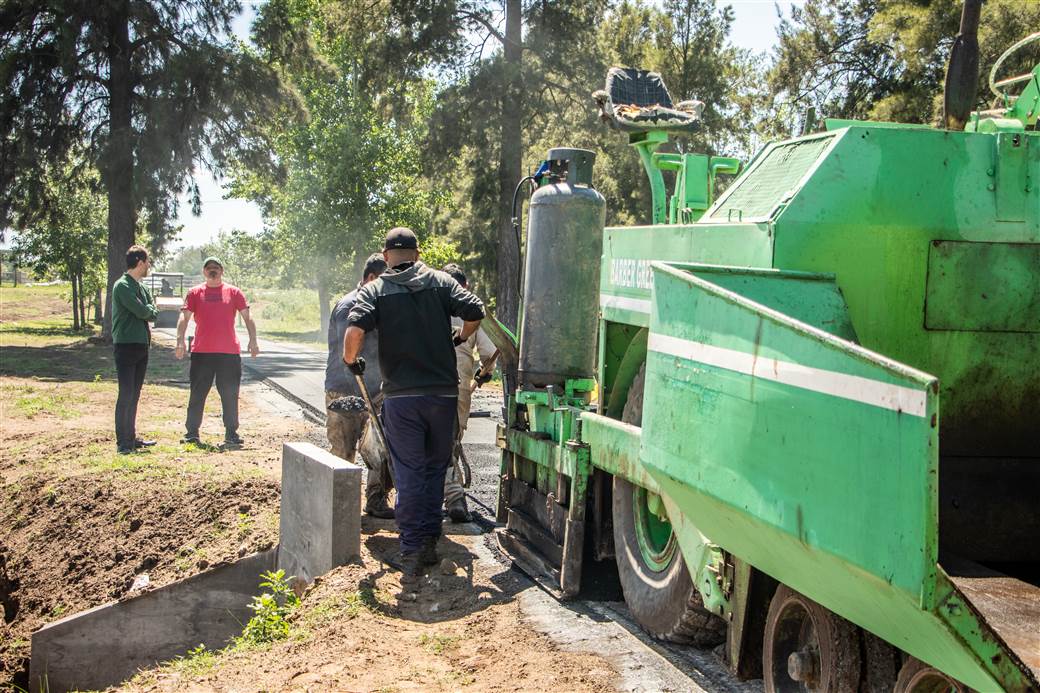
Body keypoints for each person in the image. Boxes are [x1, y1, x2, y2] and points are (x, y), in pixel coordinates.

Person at [343, 227, 485, 577]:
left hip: (403, 398)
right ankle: (430, 542)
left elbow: (354, 330)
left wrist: (352, 361)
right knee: (436, 468)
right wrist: (461, 336)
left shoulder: (377, 289)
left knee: (408, 471)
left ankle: (411, 550)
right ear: (417, 255)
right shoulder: (442, 282)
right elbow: (475, 310)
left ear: (387, 256)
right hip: (443, 395)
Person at [325, 252, 394, 519]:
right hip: (343, 388)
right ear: (371, 278)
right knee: (343, 451)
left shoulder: (380, 304)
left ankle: (376, 500)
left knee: (378, 450)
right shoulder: (349, 306)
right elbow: (349, 348)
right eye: (384, 281)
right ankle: (339, 507)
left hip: (375, 391)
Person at [174, 256, 259, 448]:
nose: (212, 270)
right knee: (197, 393)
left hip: (228, 353)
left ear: (222, 271)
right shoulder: (195, 292)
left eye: (216, 267)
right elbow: (184, 317)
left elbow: (247, 316)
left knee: (230, 394)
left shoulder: (234, 292)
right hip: (202, 353)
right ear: (204, 272)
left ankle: (231, 433)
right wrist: (180, 341)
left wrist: (253, 340)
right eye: (209, 268)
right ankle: (192, 433)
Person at [441, 263, 498, 523]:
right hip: (460, 386)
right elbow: (489, 354)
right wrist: (484, 374)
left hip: (427, 383)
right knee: (450, 443)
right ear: (465, 287)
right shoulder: (471, 312)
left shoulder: (431, 304)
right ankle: (454, 498)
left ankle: (432, 497)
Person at [111, 245, 159, 454]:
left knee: (136, 393)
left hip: (142, 345)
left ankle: (131, 437)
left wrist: (148, 309)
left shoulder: (142, 287)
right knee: (126, 393)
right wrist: (147, 309)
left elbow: (153, 312)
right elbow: (143, 310)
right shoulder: (122, 286)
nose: (149, 266)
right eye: (148, 262)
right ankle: (123, 442)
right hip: (126, 345)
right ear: (140, 262)